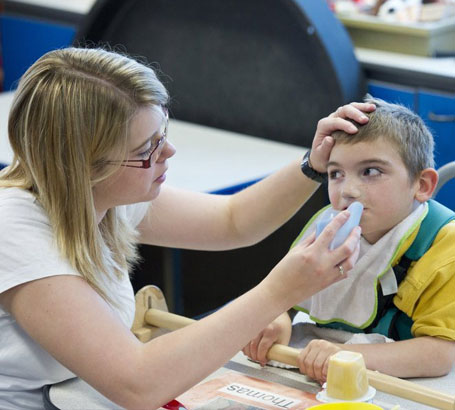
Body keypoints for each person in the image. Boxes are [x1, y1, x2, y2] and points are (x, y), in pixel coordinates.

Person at [0, 47, 373, 409]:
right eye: (147, 148)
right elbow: (137, 382)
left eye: (162, 134)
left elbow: (232, 221)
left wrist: (312, 165)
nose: (169, 152)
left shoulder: (101, 199)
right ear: (86, 165)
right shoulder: (15, 231)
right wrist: (279, 292)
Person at [243, 96, 455, 384]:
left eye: (370, 172)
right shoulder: (329, 225)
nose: (348, 191)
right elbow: (287, 291)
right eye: (336, 174)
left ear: (422, 185)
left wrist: (345, 356)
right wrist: (277, 317)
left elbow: (439, 354)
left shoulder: (445, 246)